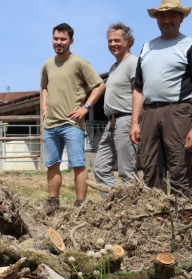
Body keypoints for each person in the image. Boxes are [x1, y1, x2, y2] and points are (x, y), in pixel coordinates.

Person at [130, 0, 192, 198]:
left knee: (179, 167)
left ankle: (184, 212)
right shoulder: (147, 47)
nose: (167, 20)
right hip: (149, 112)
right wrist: (135, 122)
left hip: (178, 111)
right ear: (156, 19)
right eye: (162, 16)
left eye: (172, 15)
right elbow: (138, 88)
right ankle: (156, 213)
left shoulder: (191, 46)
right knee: (150, 168)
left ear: (181, 18)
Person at [40, 23, 105, 214]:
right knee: (52, 164)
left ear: (71, 41)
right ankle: (53, 202)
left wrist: (85, 107)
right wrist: (44, 106)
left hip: (72, 124)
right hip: (51, 124)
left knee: (78, 164)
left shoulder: (79, 63)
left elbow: (100, 85)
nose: (58, 42)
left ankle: (80, 204)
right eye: (56, 38)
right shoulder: (48, 64)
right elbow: (44, 87)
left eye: (63, 39)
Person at [93, 23, 139, 196]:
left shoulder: (132, 63)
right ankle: (114, 204)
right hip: (112, 121)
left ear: (129, 42)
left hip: (126, 119)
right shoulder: (114, 67)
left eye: (117, 40)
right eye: (110, 41)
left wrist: (135, 122)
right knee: (100, 168)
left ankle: (131, 207)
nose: (113, 44)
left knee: (127, 171)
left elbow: (139, 92)